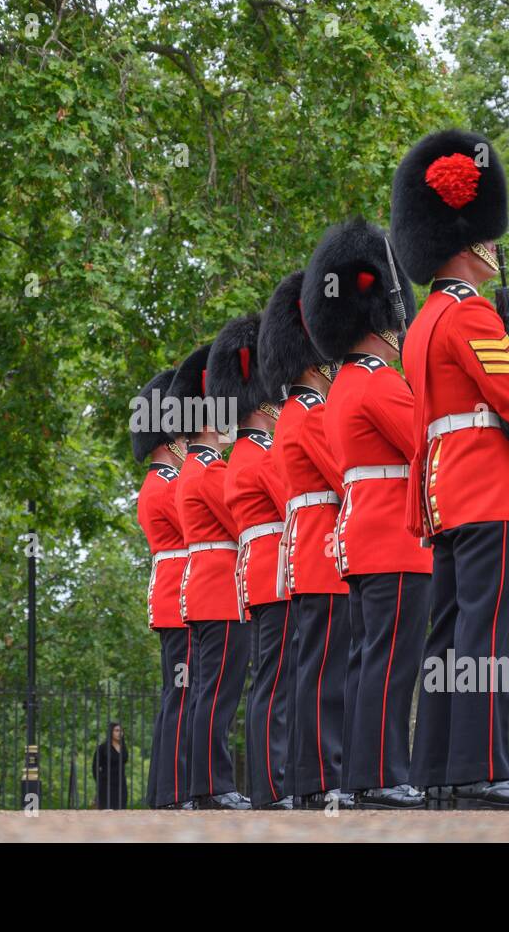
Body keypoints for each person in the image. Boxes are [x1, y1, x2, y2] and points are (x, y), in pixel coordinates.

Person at [392, 129, 509, 808]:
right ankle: (482, 769)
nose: (496, 249)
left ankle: (440, 767)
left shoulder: (422, 324)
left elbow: (424, 426)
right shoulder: (470, 317)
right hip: (488, 492)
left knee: (449, 634)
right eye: (491, 240)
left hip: (444, 497)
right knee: (486, 633)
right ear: (470, 244)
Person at [302, 218, 431, 810]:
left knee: (366, 662)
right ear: (382, 318)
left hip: (362, 540)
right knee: (389, 665)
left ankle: (362, 775)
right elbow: (424, 442)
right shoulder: (380, 383)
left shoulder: (344, 386)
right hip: (394, 540)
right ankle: (382, 774)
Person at [260, 271, 353, 810]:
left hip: (304, 555)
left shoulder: (293, 414)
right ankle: (321, 778)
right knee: (325, 676)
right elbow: (345, 476)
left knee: (310, 673)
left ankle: (306, 778)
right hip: (322, 555)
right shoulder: (312, 415)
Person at [208, 313, 293, 810]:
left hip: (257, 575)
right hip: (278, 571)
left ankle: (270, 783)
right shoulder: (262, 455)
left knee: (269, 683)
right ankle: (273, 784)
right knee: (276, 686)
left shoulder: (239, 455)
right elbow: (293, 503)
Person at [168, 343, 251, 810]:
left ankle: (202, 786)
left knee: (206, 694)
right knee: (218, 697)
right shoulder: (210, 472)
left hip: (202, 591)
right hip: (220, 593)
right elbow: (243, 522)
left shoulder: (192, 471)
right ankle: (214, 786)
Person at [132, 368, 193, 810]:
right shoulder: (167, 485)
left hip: (174, 595)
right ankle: (173, 792)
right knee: (181, 696)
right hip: (181, 598)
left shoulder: (159, 482)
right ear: (171, 438)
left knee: (179, 696)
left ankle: (166, 791)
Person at [93, 723, 130, 810]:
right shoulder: (102, 748)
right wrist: (99, 781)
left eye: (121, 731)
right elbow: (95, 766)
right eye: (117, 730)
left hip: (121, 785)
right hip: (106, 785)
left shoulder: (123, 747)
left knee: (121, 811)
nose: (119, 733)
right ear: (111, 732)